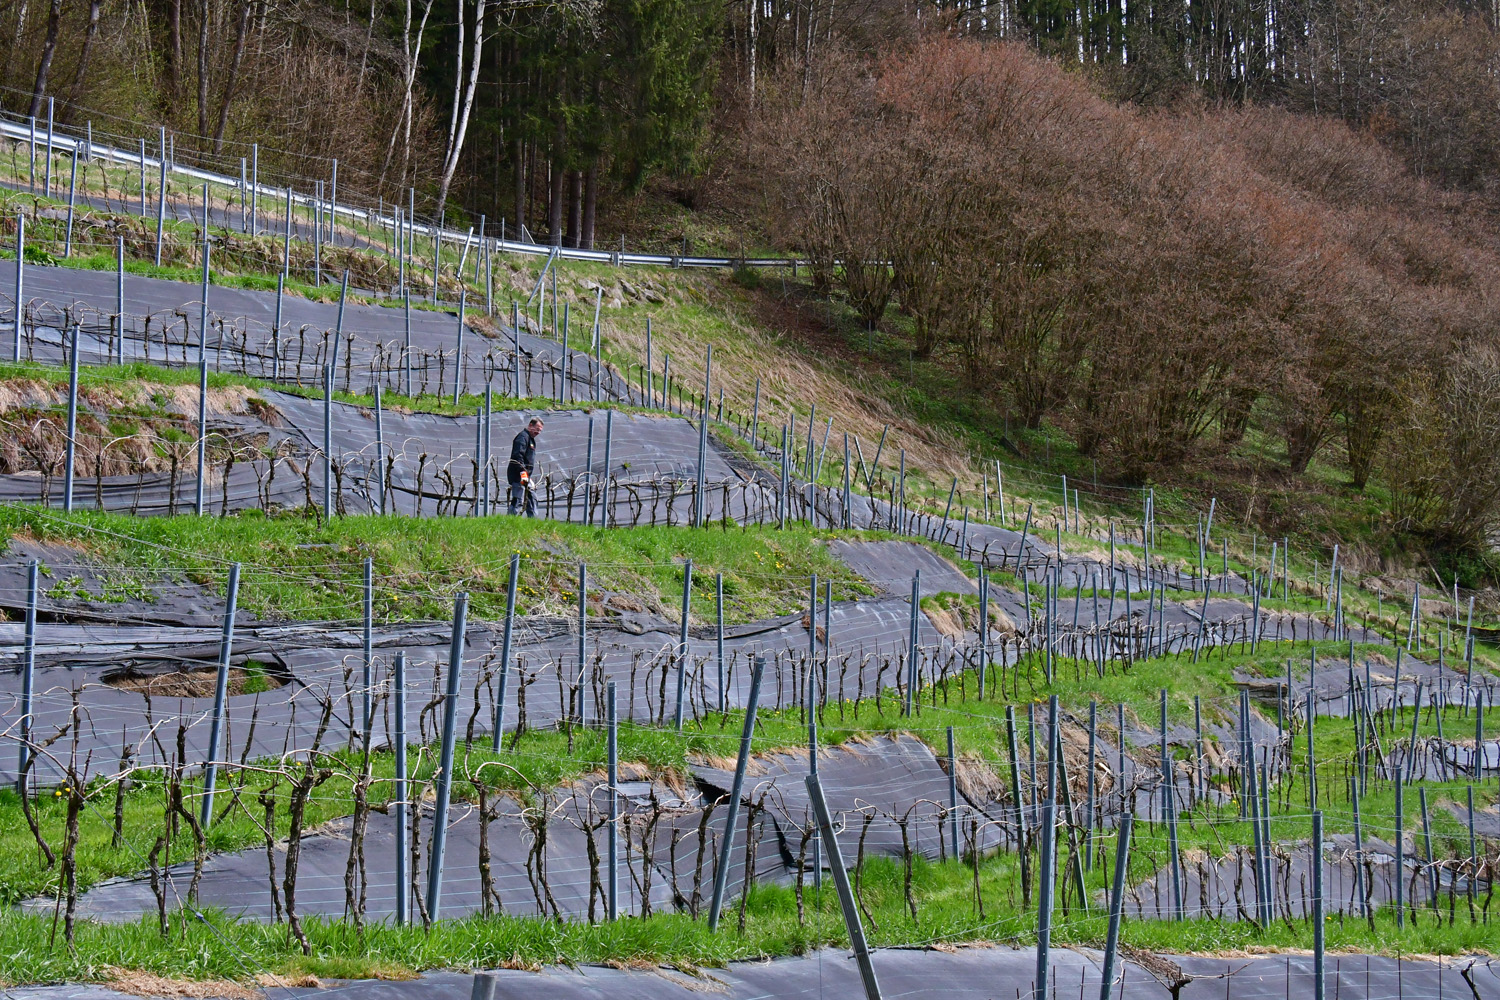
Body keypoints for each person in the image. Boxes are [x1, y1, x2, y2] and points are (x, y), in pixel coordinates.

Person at [507, 417, 543, 516]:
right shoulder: (522, 438)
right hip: (519, 475)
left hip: (525, 475)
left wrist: (527, 477)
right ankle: (510, 520)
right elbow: (517, 457)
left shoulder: (530, 439)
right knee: (518, 499)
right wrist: (524, 474)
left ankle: (533, 522)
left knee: (531, 497)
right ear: (530, 425)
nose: (538, 432)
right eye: (537, 429)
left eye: (540, 430)